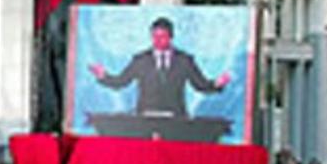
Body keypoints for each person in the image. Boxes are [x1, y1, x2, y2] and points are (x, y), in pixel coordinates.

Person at [88, 17, 230, 117]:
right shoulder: (140, 60)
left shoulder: (185, 60)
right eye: (155, 36)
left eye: (162, 36)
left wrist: (217, 84)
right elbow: (121, 81)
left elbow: (200, 85)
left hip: (176, 118)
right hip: (145, 117)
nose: (158, 40)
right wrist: (103, 76)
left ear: (171, 37)